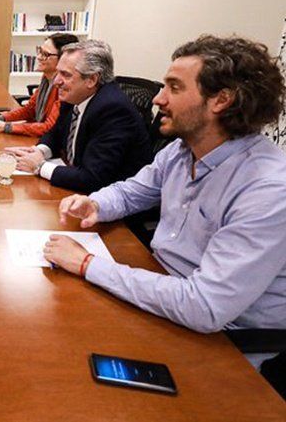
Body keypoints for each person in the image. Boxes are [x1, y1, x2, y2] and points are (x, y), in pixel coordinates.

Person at [45, 35, 286, 367]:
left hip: (223, 344)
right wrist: (96, 204)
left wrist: (88, 264)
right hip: (162, 296)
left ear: (221, 100)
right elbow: (132, 191)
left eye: (174, 87)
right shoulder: (181, 151)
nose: (158, 98)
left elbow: (204, 306)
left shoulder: (268, 190)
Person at [8, 40, 151, 193]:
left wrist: (39, 166)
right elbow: (56, 133)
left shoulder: (113, 110)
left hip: (109, 199)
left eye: (65, 74)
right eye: (58, 72)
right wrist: (39, 152)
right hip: (76, 185)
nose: (56, 81)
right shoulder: (74, 96)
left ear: (92, 79)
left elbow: (93, 178)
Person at [0, 33, 79, 137]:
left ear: (63, 59)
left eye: (45, 54)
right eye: (40, 51)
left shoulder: (63, 87)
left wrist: (7, 126)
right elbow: (29, 110)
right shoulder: (46, 78)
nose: (38, 57)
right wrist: (0, 117)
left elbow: (49, 127)